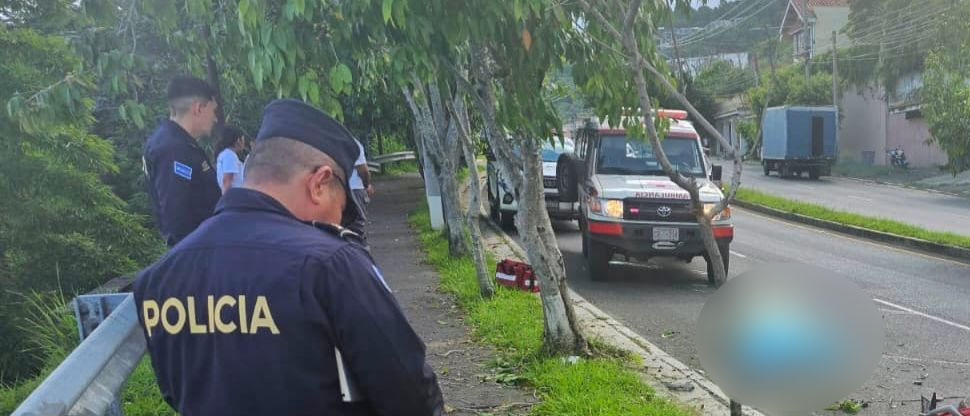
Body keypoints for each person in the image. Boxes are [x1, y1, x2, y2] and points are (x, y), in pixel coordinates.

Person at [133, 98, 444, 416]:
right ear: (320, 183)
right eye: (341, 209)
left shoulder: (158, 280)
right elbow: (409, 393)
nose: (338, 222)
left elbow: (175, 392)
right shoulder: (331, 264)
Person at [143, 75, 222, 247]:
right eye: (213, 110)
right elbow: (178, 220)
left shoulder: (177, 142)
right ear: (198, 108)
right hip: (196, 254)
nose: (215, 119)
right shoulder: (173, 149)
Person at [347, 138, 375, 236]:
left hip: (336, 189)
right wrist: (367, 185)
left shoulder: (330, 142)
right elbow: (363, 170)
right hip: (355, 188)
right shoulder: (354, 144)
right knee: (357, 225)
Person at [215, 125, 247, 193]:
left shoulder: (225, 154)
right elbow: (227, 181)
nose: (244, 143)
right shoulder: (230, 155)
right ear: (238, 140)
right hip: (234, 197)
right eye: (243, 140)